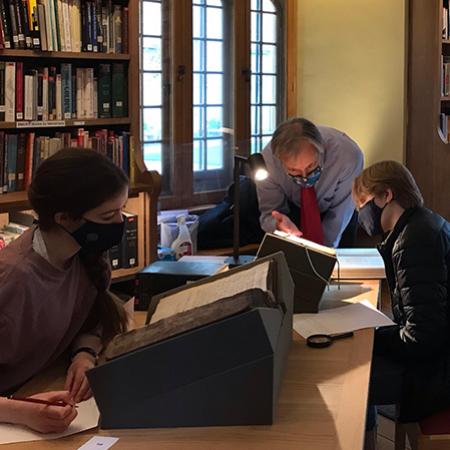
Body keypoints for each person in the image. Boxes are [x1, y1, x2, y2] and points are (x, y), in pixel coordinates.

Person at [0, 149, 129, 433]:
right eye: (108, 216)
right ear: (65, 218)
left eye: (122, 210)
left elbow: (91, 318)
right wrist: (21, 412)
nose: (120, 224)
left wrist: (84, 354)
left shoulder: (89, 253)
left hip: (46, 385)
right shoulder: (14, 280)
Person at [352, 161, 450, 449]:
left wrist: (372, 336)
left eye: (364, 204)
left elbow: (423, 338)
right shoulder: (419, 225)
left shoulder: (415, 239)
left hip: (439, 371)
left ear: (386, 195)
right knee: (359, 362)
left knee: (356, 382)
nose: (361, 214)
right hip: (439, 356)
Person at [257, 117, 364, 247]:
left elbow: (339, 217)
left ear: (321, 150)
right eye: (293, 170)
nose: (304, 177)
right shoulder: (268, 162)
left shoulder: (348, 157)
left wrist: (322, 255)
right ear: (280, 160)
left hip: (339, 212)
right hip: (294, 211)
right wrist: (278, 224)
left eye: (311, 166)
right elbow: (270, 212)